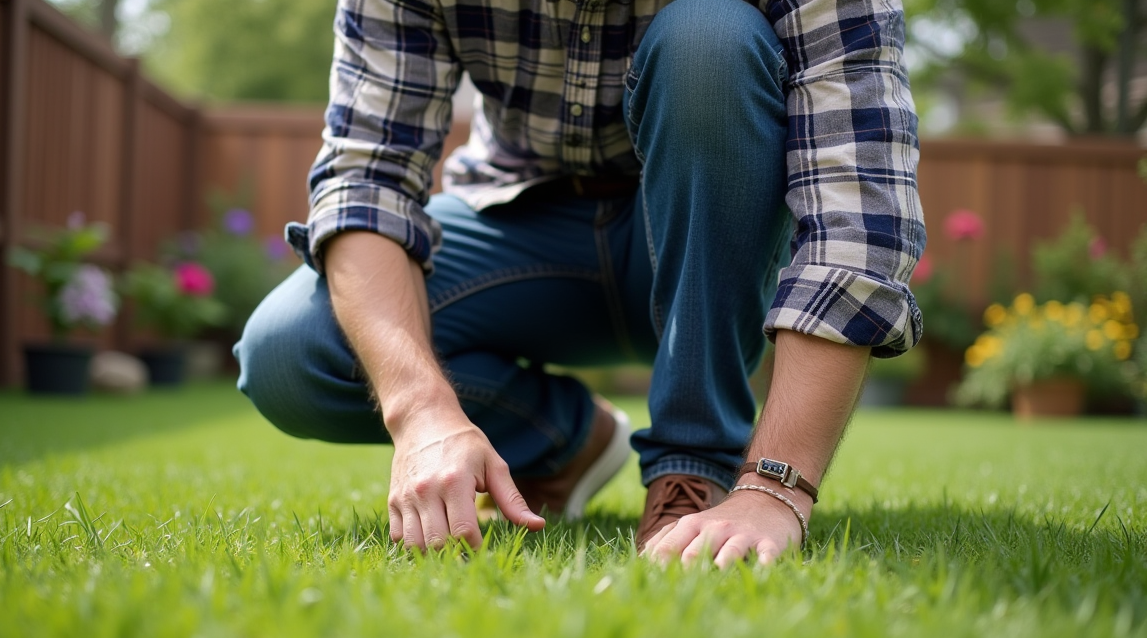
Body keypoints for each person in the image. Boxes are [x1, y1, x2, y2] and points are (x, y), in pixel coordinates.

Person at [235, 0, 925, 567]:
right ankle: (566, 440)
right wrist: (420, 413)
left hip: (720, 243)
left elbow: (858, 218)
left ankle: (697, 466)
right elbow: (367, 182)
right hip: (521, 221)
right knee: (293, 352)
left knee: (709, 37)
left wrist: (778, 487)